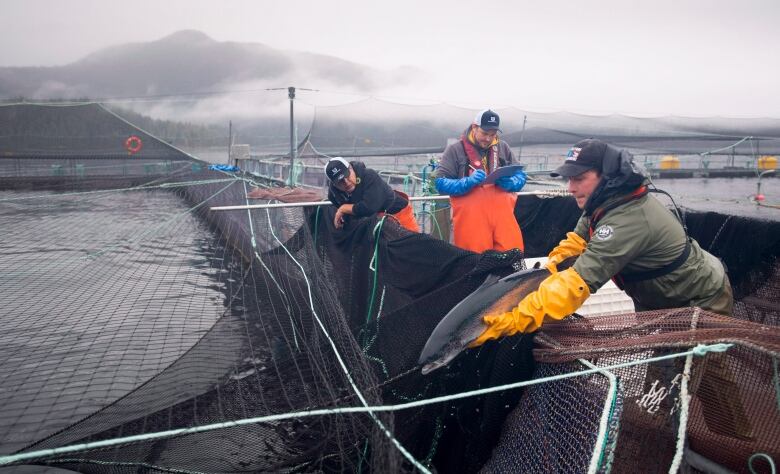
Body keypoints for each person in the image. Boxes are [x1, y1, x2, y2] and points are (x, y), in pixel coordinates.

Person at [471, 138, 734, 346]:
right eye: (569, 179)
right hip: (658, 299)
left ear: (606, 176)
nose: (571, 188)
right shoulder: (603, 203)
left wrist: (508, 321)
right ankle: (662, 411)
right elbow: (576, 242)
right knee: (663, 370)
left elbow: (575, 286)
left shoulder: (628, 220)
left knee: (709, 378)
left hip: (698, 298)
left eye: (579, 178)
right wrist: (548, 270)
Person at [434, 109, 527, 253]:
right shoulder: (455, 150)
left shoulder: (503, 147)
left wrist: (513, 182)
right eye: (484, 133)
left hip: (503, 219)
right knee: (472, 261)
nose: (488, 138)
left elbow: (520, 175)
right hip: (472, 223)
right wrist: (467, 182)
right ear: (474, 127)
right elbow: (439, 183)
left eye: (493, 134)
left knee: (512, 254)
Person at [325, 157, 420, 232]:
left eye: (347, 175)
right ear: (333, 184)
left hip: (398, 214)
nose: (346, 182)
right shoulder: (333, 195)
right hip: (373, 224)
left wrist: (343, 208)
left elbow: (369, 207)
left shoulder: (369, 176)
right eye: (340, 181)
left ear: (351, 168)